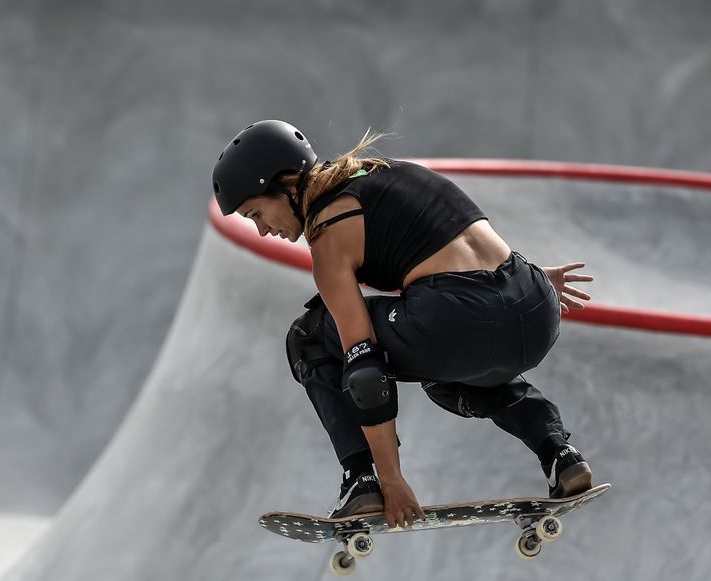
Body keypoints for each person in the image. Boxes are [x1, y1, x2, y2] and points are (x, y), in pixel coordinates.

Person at [211, 120, 595, 527]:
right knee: (447, 369)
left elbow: (365, 372)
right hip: (534, 303)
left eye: (257, 212)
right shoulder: (387, 171)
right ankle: (560, 454)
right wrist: (533, 281)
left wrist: (391, 479)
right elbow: (460, 238)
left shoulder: (329, 232)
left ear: (285, 184)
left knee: (308, 336)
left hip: (458, 319)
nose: (263, 229)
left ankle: (361, 483)